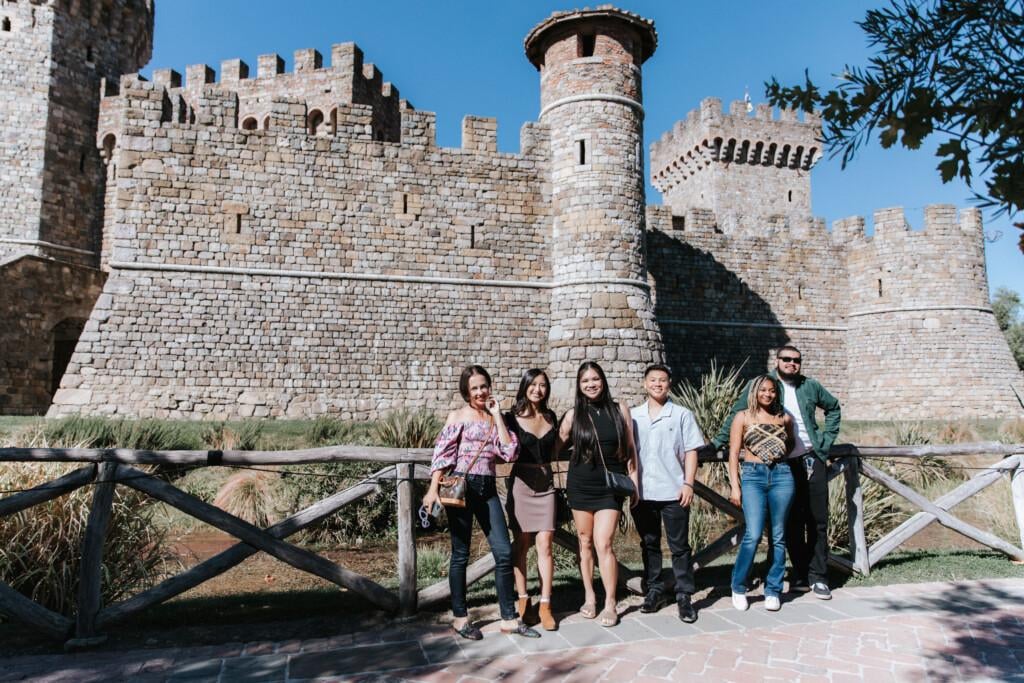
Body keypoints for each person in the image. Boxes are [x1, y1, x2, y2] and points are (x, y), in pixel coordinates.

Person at [708, 346, 842, 599]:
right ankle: (799, 575)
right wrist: (716, 444)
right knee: (788, 525)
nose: (792, 363)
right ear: (777, 361)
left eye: (797, 360)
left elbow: (833, 408)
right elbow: (737, 414)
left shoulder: (810, 386)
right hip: (780, 466)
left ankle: (819, 577)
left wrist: (824, 444)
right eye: (787, 359)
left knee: (817, 519)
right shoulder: (761, 385)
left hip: (811, 459)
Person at [422, 365, 540, 640]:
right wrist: (432, 489)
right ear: (466, 391)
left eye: (483, 386)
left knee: (502, 552)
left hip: (487, 489)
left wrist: (497, 414)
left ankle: (509, 618)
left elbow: (510, 452)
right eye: (474, 388)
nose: (480, 392)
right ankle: (460, 618)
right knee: (460, 554)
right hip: (462, 488)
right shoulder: (457, 416)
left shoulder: (494, 417)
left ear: (490, 386)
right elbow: (443, 455)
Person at [558, 361, 638, 627]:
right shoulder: (572, 415)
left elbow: (631, 451)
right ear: (579, 386)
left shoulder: (619, 410)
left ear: (603, 381)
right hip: (580, 485)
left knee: (604, 543)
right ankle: (590, 596)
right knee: (585, 542)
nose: (591, 384)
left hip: (609, 487)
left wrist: (635, 484)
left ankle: (611, 601)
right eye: (585, 381)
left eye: (595, 379)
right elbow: (552, 447)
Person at [630, 363, 704, 623]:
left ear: (669, 384)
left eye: (662, 380)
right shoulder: (633, 415)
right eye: (653, 380)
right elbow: (629, 453)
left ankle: (684, 594)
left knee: (679, 546)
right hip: (643, 492)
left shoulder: (682, 414)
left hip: (674, 491)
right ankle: (655, 590)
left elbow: (692, 450)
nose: (658, 384)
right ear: (645, 384)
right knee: (649, 544)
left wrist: (689, 483)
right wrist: (631, 486)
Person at [727, 374, 795, 612]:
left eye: (772, 390)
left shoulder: (784, 417)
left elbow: (792, 443)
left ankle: (773, 589)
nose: (768, 394)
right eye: (763, 390)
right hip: (753, 476)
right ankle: (738, 586)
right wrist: (735, 486)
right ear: (755, 391)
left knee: (778, 536)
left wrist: (776, 452)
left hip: (782, 475)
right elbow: (734, 453)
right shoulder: (743, 417)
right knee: (753, 534)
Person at [503, 368, 559, 631]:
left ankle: (546, 604)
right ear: (525, 386)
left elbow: (558, 447)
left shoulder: (551, 416)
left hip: (546, 486)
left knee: (545, 543)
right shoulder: (510, 419)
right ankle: (524, 600)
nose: (538, 389)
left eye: (543, 385)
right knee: (522, 543)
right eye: (534, 384)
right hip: (522, 486)